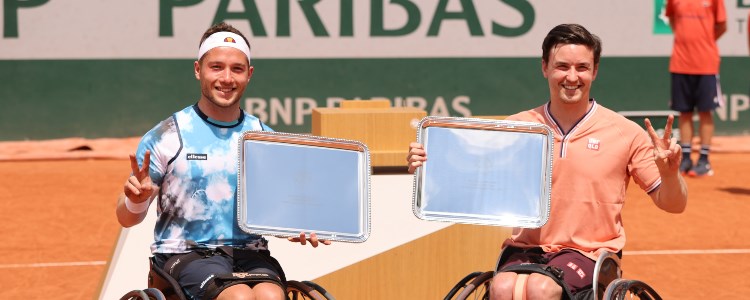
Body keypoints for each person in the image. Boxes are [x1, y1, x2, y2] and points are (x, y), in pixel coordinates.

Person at [407, 24, 688, 299]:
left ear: (595, 71)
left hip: (589, 254)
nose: (572, 77)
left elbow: (673, 204)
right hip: (526, 250)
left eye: (582, 68)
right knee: (503, 289)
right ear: (545, 68)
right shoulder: (518, 128)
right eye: (562, 66)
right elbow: (471, 180)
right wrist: (428, 167)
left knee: (541, 289)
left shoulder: (625, 133)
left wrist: (670, 173)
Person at [116, 22, 329, 300]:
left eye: (237, 69)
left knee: (271, 296)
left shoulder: (265, 137)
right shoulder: (167, 135)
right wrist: (138, 199)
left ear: (249, 75)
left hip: (250, 254)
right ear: (198, 70)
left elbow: (281, 208)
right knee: (238, 297)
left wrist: (298, 224)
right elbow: (126, 218)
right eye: (216, 67)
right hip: (183, 254)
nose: (226, 78)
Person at [666, 0, 726, 177]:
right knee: (684, 112)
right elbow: (672, 21)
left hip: (706, 64)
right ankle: (685, 159)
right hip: (680, 63)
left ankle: (704, 160)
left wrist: (704, 40)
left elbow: (722, 26)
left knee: (706, 112)